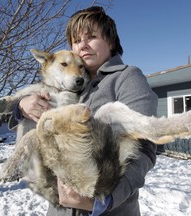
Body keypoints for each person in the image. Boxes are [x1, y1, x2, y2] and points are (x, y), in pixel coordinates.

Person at [11, 6, 158, 216]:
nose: (83, 45)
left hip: (108, 209)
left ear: (111, 41)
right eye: (77, 40)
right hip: (59, 209)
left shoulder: (126, 77)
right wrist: (21, 107)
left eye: (91, 37)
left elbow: (143, 149)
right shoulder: (70, 84)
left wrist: (103, 201)